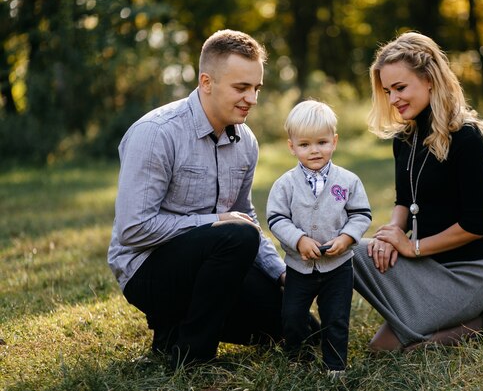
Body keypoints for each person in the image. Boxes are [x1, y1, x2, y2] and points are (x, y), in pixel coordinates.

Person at [108, 29, 293, 369]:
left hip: (215, 263)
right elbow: (133, 230)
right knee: (234, 236)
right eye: (241, 88)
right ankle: (192, 356)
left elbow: (243, 216)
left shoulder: (246, 141)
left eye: (256, 88)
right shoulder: (157, 133)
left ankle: (172, 332)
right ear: (207, 82)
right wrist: (215, 222)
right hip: (147, 270)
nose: (252, 99)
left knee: (295, 325)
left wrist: (280, 273)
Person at [352, 31, 483, 351]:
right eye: (387, 90)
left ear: (429, 80)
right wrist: (391, 233)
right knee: (353, 253)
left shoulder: (466, 137)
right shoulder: (403, 138)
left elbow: (475, 225)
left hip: (470, 274)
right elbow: (404, 201)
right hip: (427, 265)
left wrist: (412, 248)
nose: (393, 99)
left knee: (401, 350)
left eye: (400, 87)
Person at [266, 100, 372, 376]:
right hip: (299, 267)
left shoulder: (348, 181)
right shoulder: (285, 185)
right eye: (305, 144)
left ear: (334, 141)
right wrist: (299, 240)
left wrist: (347, 238)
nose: (314, 150)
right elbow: (277, 219)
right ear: (292, 146)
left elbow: (361, 214)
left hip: (338, 267)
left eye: (322, 142)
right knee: (292, 316)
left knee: (336, 317)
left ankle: (335, 365)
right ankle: (297, 358)